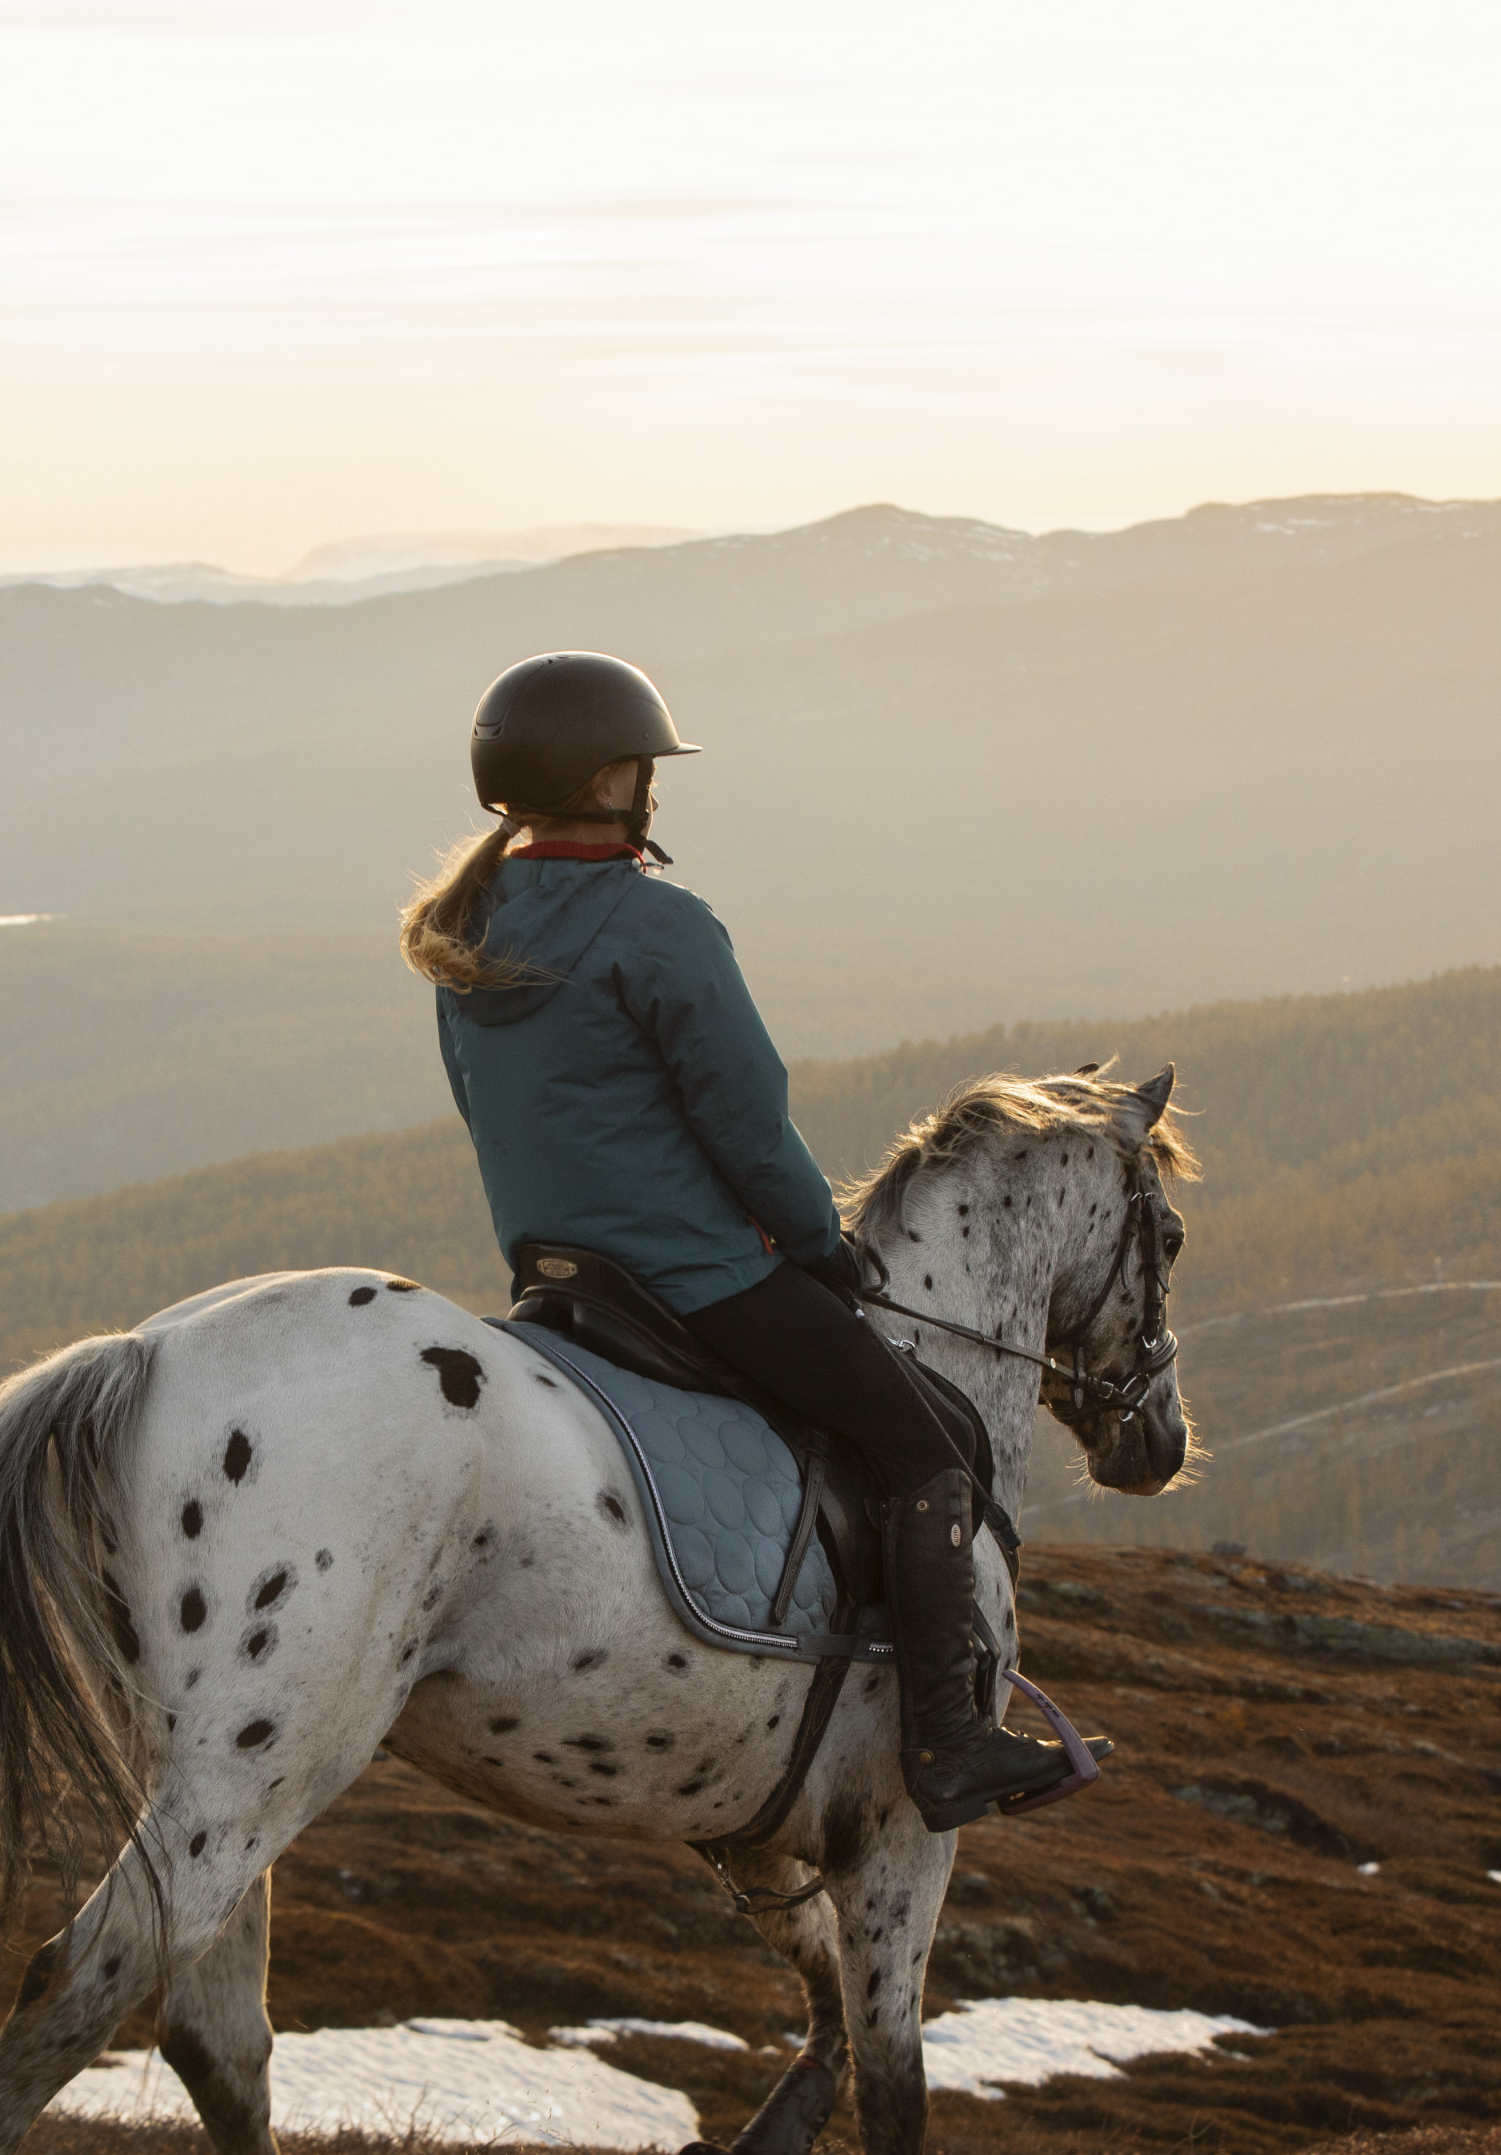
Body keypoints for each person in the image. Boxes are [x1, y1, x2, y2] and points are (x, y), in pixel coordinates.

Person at [403, 650, 1071, 1831]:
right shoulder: (657, 926)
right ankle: (951, 1743)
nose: (652, 786)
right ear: (614, 778)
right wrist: (819, 1248)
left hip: (561, 1288)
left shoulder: (469, 935)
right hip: (694, 1283)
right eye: (644, 767)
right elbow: (749, 1125)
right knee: (927, 1449)